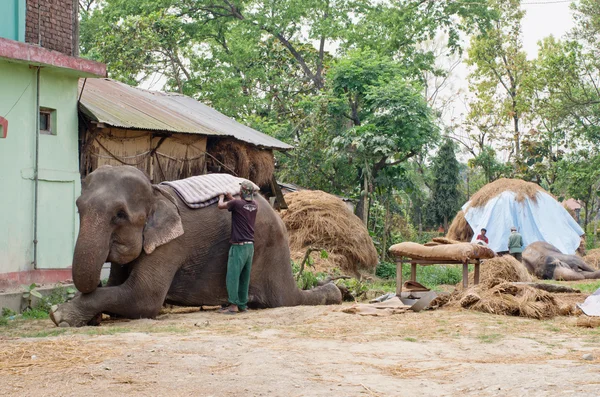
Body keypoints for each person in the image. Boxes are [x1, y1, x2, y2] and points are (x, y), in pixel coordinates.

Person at [217, 181, 258, 314]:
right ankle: (242, 305)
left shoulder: (236, 204)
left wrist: (222, 197)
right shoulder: (254, 205)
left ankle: (233, 305)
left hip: (238, 247)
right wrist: (232, 198)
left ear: (241, 192)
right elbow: (241, 205)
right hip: (250, 247)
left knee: (233, 276)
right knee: (245, 277)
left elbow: (220, 206)